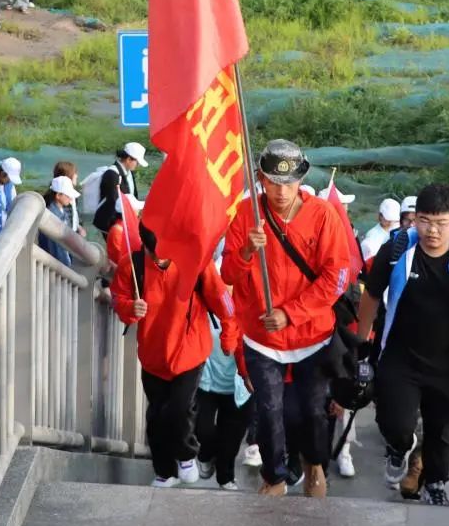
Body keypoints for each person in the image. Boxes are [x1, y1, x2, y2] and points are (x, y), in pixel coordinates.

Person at [357, 183, 449, 507]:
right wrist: (361, 341)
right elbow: (370, 297)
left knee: (444, 426)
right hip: (400, 357)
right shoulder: (397, 251)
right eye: (424, 220)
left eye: (441, 223)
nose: (431, 230)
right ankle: (398, 448)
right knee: (395, 423)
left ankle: (435, 483)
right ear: (414, 219)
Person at [221, 139, 351, 497]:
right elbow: (228, 275)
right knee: (269, 411)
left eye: (289, 183)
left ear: (301, 181)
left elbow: (336, 277)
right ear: (261, 179)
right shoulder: (247, 214)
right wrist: (247, 250)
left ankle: (313, 466)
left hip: (312, 336)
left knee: (310, 411)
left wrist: (291, 313)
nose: (281, 191)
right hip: (262, 338)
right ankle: (274, 476)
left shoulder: (323, 215)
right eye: (274, 182)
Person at [112, 223, 240, 488]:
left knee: (180, 409)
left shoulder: (196, 264)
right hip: (153, 353)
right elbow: (118, 297)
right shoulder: (131, 266)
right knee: (157, 416)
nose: (159, 259)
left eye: (164, 253)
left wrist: (230, 336)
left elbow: (223, 302)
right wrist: (130, 307)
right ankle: (164, 472)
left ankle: (186, 454)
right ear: (144, 246)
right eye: (152, 252)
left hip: (189, 350)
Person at [195, 314, 253, 490]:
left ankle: (225, 477)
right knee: (201, 428)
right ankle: (206, 454)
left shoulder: (249, 307)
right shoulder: (204, 302)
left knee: (230, 441)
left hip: (241, 386)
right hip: (206, 380)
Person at [91, 142, 148, 234]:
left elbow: (133, 195)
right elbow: (114, 201)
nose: (138, 165)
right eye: (137, 162)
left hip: (123, 221)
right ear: (129, 159)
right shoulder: (112, 174)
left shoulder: (129, 172)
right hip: (110, 223)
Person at [39, 175, 81, 268]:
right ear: (58, 195)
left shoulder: (60, 210)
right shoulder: (52, 214)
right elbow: (57, 248)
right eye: (68, 195)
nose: (70, 198)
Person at [360, 198, 402, 263]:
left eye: (393, 219)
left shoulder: (398, 227)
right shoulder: (372, 238)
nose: (390, 222)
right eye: (387, 219)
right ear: (380, 216)